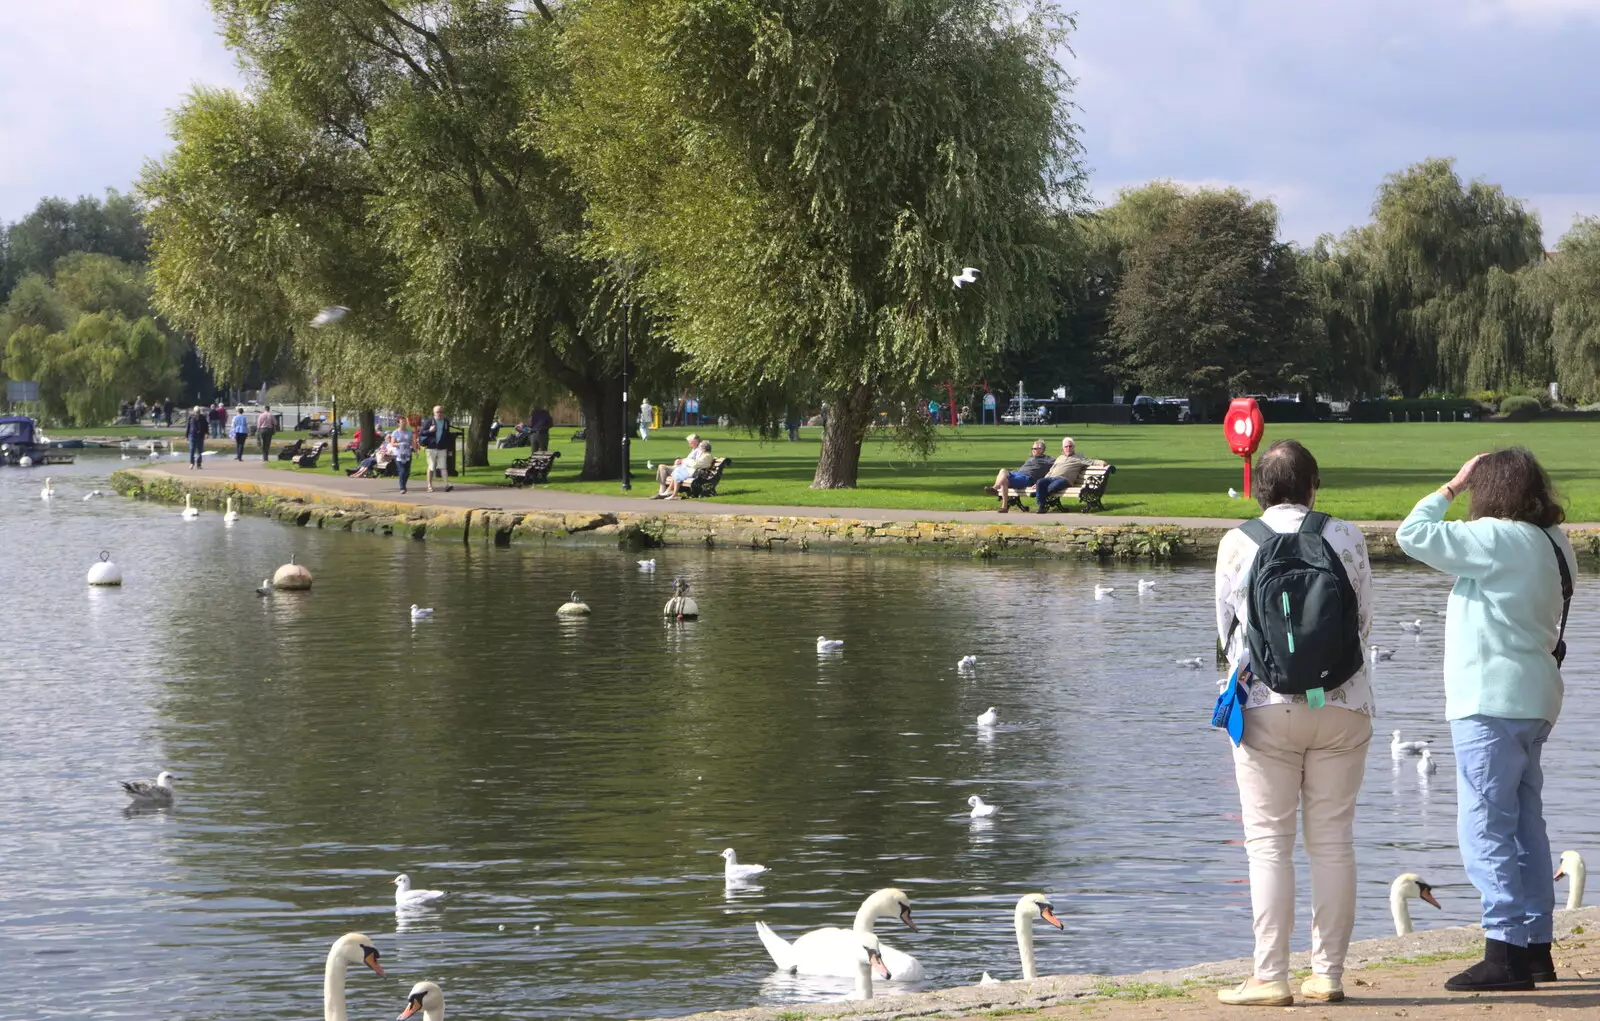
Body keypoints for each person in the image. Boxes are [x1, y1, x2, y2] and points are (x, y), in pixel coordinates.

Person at [1395, 449, 1576, 992]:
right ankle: (1536, 947)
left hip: (1488, 701)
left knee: (1485, 824)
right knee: (1526, 825)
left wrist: (1449, 486)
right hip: (1538, 698)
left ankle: (1503, 953)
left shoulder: (1495, 537)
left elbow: (1413, 533)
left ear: (1489, 490)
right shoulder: (1555, 543)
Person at [1213, 439, 1374, 1007]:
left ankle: (1270, 975)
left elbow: (1226, 630)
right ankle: (1328, 972)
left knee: (1268, 845)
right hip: (1343, 701)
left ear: (1260, 486)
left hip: (1263, 706)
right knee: (1333, 842)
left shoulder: (1238, 542)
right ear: (1313, 484)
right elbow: (1363, 622)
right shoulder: (1348, 536)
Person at [987, 439, 1054, 513]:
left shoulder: (1047, 460)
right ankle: (998, 495)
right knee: (1002, 471)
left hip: (1026, 478)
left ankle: (998, 494)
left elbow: (1058, 464)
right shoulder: (1031, 458)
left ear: (1041, 450)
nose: (1032, 450)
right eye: (1032, 448)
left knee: (1004, 479)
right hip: (1017, 474)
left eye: (1034, 448)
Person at [1031, 437, 1093, 513]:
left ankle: (1039, 494)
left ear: (1073, 447)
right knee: (1040, 482)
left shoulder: (1079, 457)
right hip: (1052, 478)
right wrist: (1039, 483)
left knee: (1052, 487)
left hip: (1064, 480)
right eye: (1066, 446)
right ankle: (1042, 507)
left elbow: (1091, 461)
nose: (1068, 448)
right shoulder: (1060, 458)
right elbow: (1051, 470)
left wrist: (1102, 463)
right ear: (1063, 448)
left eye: (1070, 446)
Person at [419, 404, 452, 493]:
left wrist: (448, 447)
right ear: (434, 413)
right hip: (431, 447)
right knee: (431, 466)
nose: (440, 414)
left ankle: (446, 484)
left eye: (441, 412)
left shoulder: (445, 422)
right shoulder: (429, 422)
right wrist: (429, 431)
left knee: (443, 466)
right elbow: (421, 433)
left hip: (442, 447)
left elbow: (447, 434)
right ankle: (429, 486)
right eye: (438, 412)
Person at [389, 413, 415, 494]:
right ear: (398, 423)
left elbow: (411, 442)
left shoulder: (409, 432)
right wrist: (400, 444)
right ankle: (402, 487)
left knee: (407, 471)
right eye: (402, 422)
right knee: (402, 470)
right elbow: (392, 443)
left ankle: (404, 484)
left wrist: (415, 449)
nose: (404, 424)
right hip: (398, 454)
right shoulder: (395, 433)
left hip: (407, 453)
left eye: (405, 422)